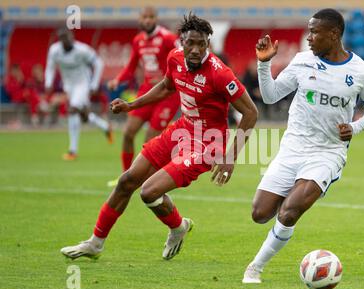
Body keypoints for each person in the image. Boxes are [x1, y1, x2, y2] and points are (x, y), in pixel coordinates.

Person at [60, 13, 258, 261]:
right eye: (190, 44)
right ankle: (95, 244)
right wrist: (132, 106)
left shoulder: (220, 74)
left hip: (208, 143)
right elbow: (166, 87)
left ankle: (177, 227)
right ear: (181, 43)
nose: (196, 50)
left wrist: (230, 156)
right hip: (182, 130)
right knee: (126, 181)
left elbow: (251, 112)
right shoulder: (175, 58)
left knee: (148, 192)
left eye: (201, 44)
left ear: (208, 43)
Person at [242, 8, 364, 283]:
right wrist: (263, 65)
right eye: (309, 31)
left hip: (327, 153)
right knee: (259, 213)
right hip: (293, 148)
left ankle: (255, 267)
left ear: (333, 35)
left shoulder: (362, 72)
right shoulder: (301, 61)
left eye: (314, 32)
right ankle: (293, 202)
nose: (309, 38)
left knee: (289, 211)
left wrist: (355, 127)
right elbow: (271, 96)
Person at [106, 6, 181, 186]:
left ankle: (146, 180)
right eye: (144, 17)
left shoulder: (168, 38)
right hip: (146, 91)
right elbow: (131, 67)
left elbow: (182, 57)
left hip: (167, 94)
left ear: (156, 18)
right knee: (128, 133)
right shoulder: (138, 40)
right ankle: (126, 176)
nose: (147, 20)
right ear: (140, 19)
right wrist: (118, 80)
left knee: (150, 141)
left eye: (151, 17)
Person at [45, 28, 113, 161]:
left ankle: (72, 150)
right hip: (69, 86)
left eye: (68, 37)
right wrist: (48, 82)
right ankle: (105, 127)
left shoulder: (82, 50)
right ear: (60, 40)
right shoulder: (55, 50)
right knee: (84, 116)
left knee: (72, 110)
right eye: (63, 38)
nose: (66, 41)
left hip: (82, 84)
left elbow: (98, 63)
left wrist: (94, 84)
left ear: (72, 38)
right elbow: (50, 66)